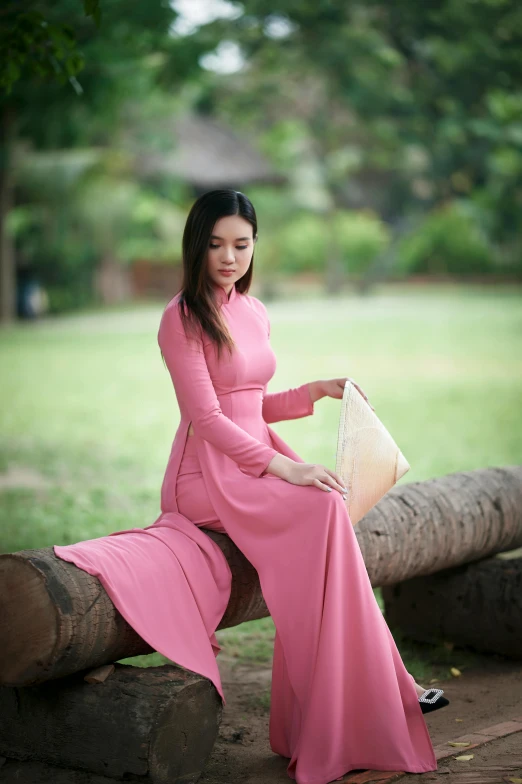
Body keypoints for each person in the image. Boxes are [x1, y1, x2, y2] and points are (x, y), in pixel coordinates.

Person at [54, 189, 439, 784]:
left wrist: (313, 391)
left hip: (255, 458)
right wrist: (284, 469)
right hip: (205, 476)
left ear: (255, 245)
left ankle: (374, 692)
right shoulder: (180, 317)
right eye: (215, 245)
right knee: (322, 512)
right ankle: (390, 685)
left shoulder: (253, 311)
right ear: (196, 247)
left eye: (241, 244)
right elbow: (208, 419)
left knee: (328, 509)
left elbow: (251, 403)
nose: (229, 257)